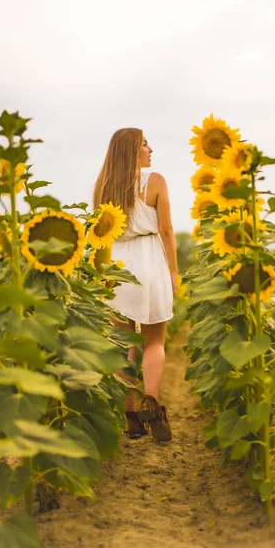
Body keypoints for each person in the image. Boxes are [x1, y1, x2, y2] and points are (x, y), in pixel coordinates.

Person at [93, 128, 178, 442]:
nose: (150, 148)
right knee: (154, 342)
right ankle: (152, 404)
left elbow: (101, 235)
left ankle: (131, 420)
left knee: (124, 345)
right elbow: (167, 230)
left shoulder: (103, 188)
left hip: (118, 267)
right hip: (151, 263)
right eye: (144, 143)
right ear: (132, 150)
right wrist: (174, 270)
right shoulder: (154, 181)